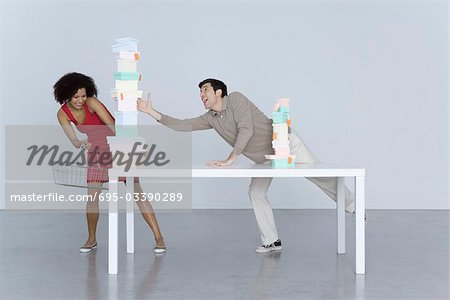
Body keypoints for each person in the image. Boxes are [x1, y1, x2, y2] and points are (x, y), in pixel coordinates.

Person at [137, 78, 354, 253]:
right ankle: (272, 241)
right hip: (264, 158)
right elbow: (183, 125)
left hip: (285, 144)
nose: (201, 95)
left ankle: (354, 207)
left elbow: (246, 129)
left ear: (219, 92)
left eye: (205, 90)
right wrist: (151, 112)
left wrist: (230, 159)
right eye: (200, 92)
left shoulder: (237, 99)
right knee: (256, 192)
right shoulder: (211, 118)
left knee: (319, 175)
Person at [54, 72, 166, 253]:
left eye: (83, 95)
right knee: (92, 197)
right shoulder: (62, 114)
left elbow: (114, 127)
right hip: (96, 151)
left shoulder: (92, 103)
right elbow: (74, 141)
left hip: (117, 144)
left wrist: (131, 146)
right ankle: (91, 239)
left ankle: (159, 237)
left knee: (136, 192)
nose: (80, 100)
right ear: (66, 95)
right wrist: (80, 143)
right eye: (76, 97)